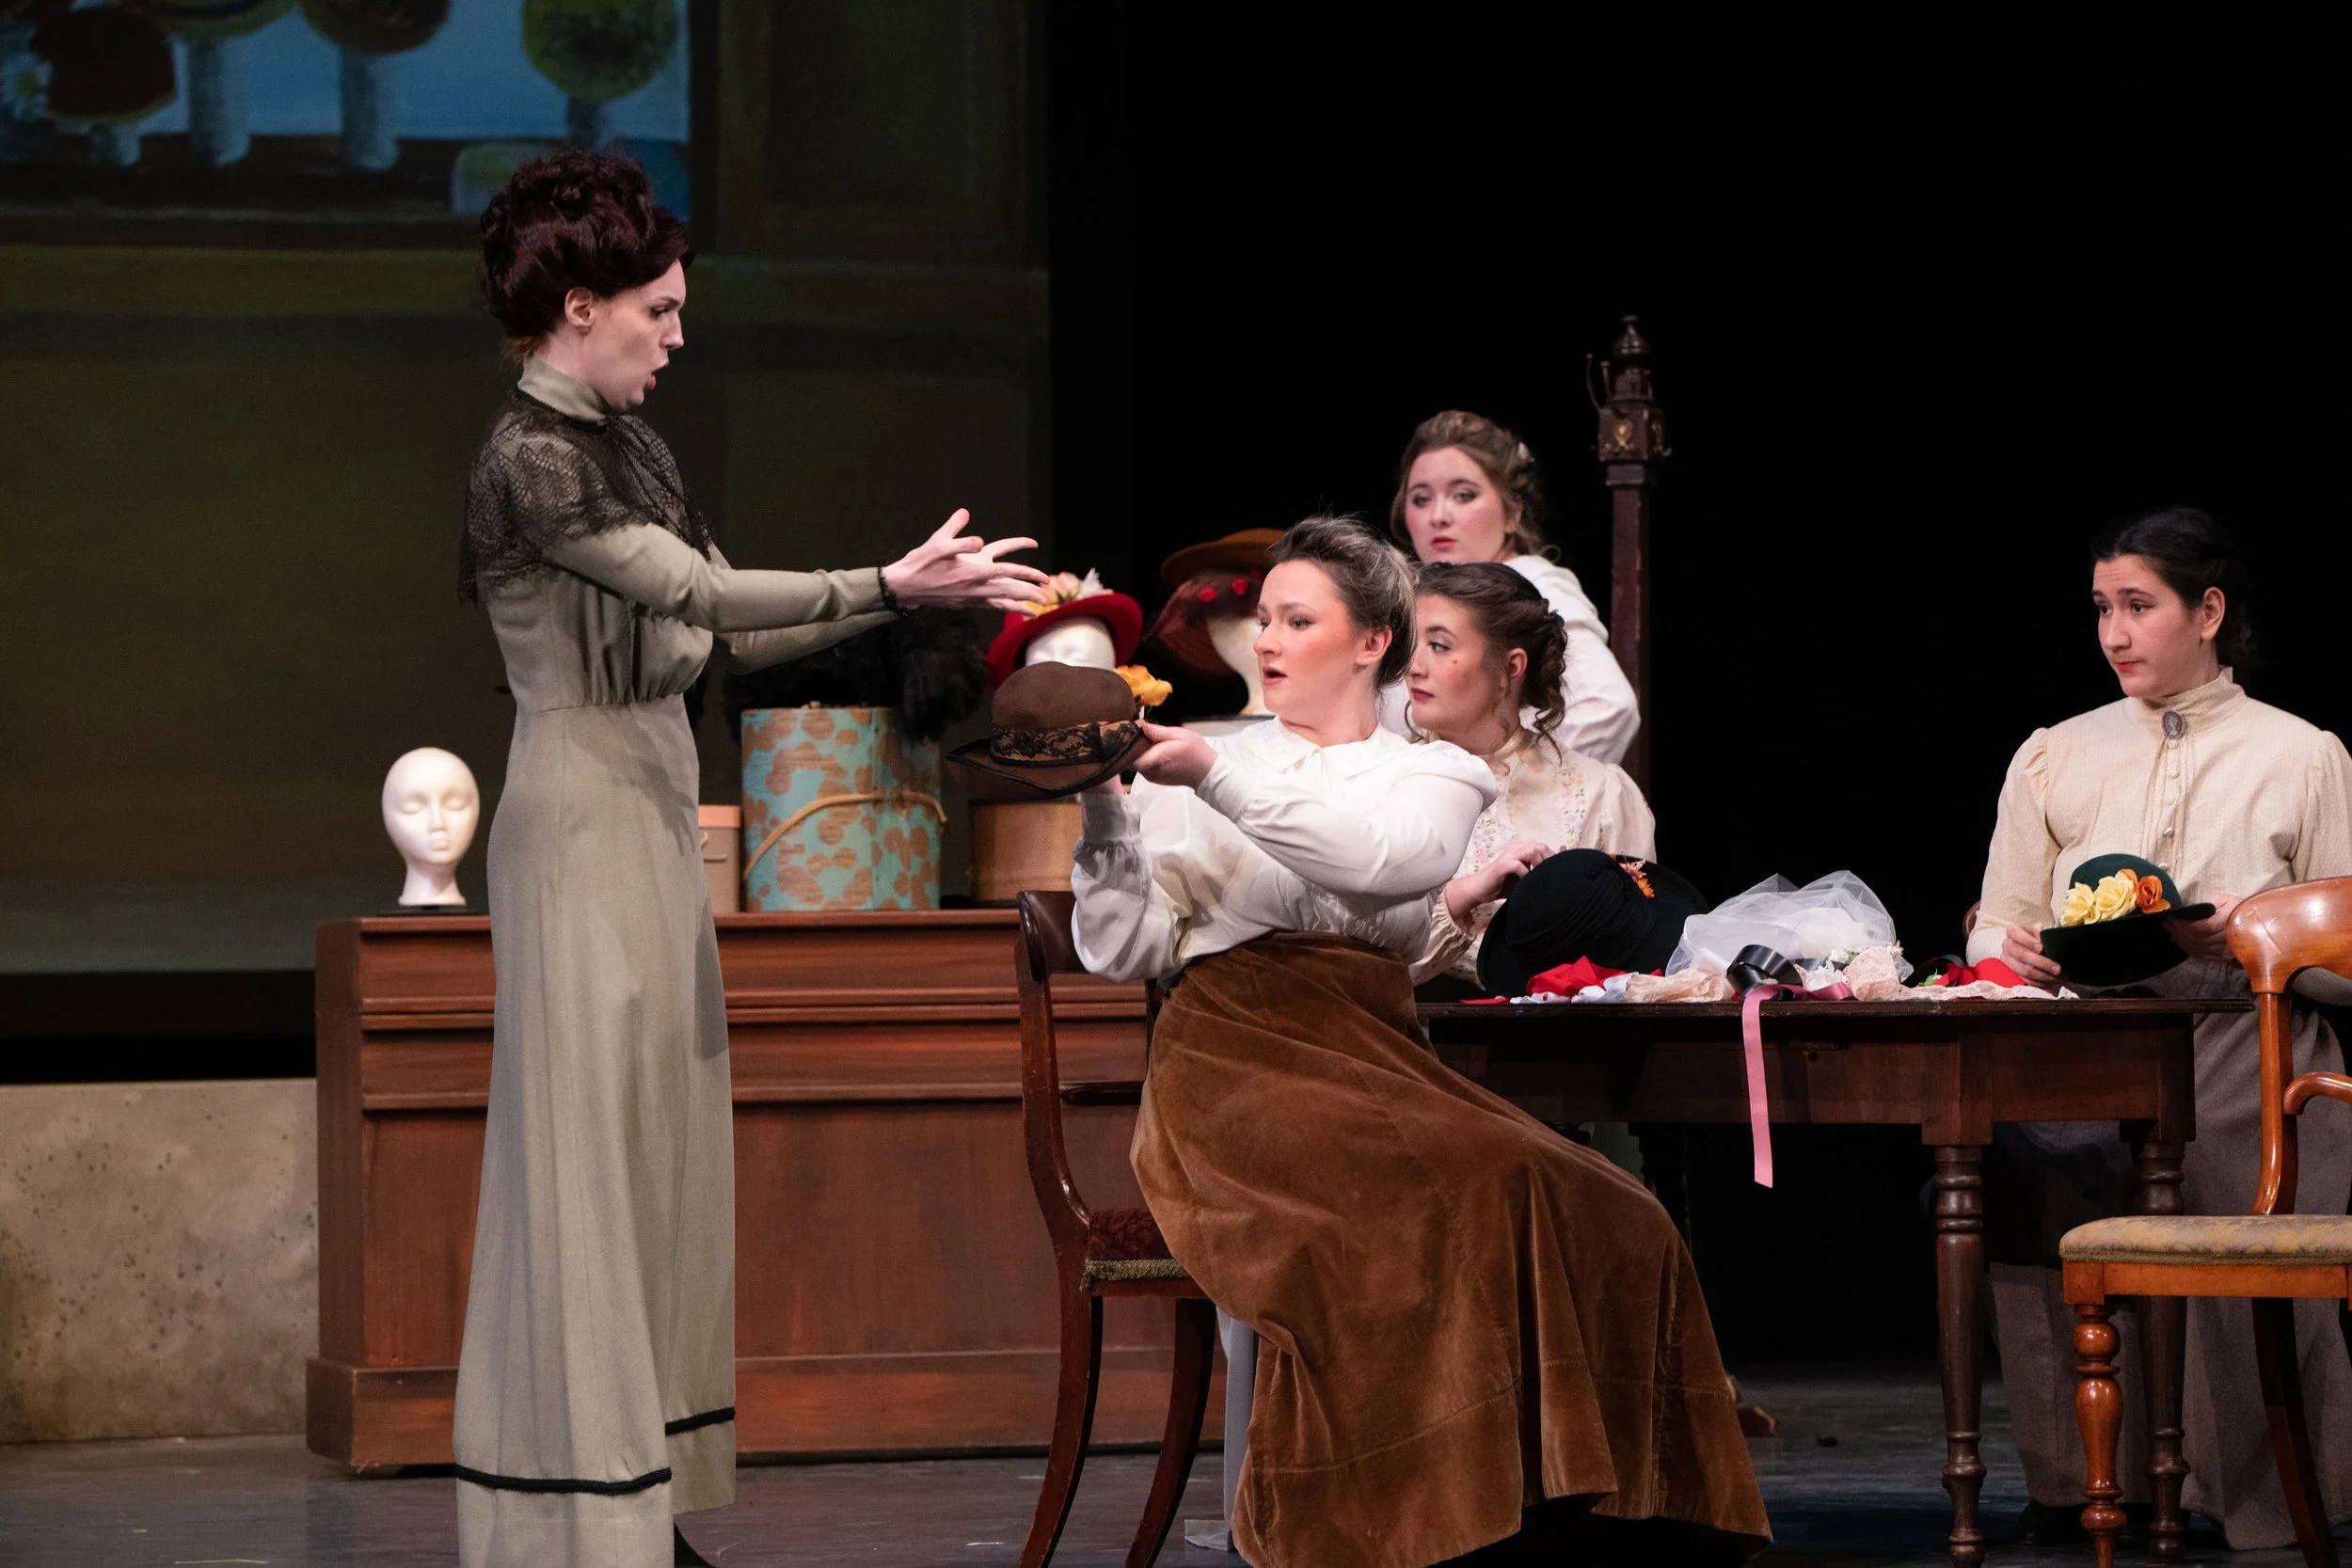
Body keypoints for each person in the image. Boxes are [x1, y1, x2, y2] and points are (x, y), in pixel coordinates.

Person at [452, 150, 1044, 1568]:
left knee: (659, 1148)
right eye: (655, 310)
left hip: (652, 802)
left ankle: (637, 1505)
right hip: (578, 808)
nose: (673, 334)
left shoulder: (628, 441)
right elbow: (698, 591)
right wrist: (892, 581)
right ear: (580, 305)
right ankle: (575, 1517)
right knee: (585, 1155)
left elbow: (718, 633)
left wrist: (901, 606)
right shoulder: (529, 454)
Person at [1073, 516, 1766, 1566]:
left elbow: (1376, 864)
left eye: (1297, 619)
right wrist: (1103, 813)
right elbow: (1119, 953)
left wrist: (1210, 774)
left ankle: (1606, 1502)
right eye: (1264, 617)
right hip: (1230, 1065)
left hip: (1372, 1051)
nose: (1265, 638)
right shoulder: (1203, 763)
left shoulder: (1429, 775)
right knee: (1466, 1188)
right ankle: (1427, 1513)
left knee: (1609, 1203)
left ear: (1369, 643)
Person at [1968, 506, 2352, 1548]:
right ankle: (2080, 1483)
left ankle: (2270, 1500)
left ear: (2209, 611)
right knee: (2035, 1187)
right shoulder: (2053, 753)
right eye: (2101, 608)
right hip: (2087, 1044)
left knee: (2247, 1253)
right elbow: (1995, 919)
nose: (2114, 633)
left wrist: (2254, 940)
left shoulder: (2303, 754)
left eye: (2139, 606)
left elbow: (2350, 956)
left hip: (2249, 1045)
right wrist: (2014, 950)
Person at [1403, 562, 1655, 988]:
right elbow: (1363, 965)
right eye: (1412, 644)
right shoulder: (1383, 782)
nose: (1414, 666)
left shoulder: (1598, 792)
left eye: (1439, 646)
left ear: (1511, 667)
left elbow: (1638, 952)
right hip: (1404, 1040)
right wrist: (1467, 893)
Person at [1383, 410, 1640, 764]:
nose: (1438, 515)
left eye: (1463, 495)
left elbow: (1607, 708)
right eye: (1421, 499)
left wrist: (1510, 790)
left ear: (1513, 512)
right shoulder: (1418, 599)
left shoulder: (1533, 588)